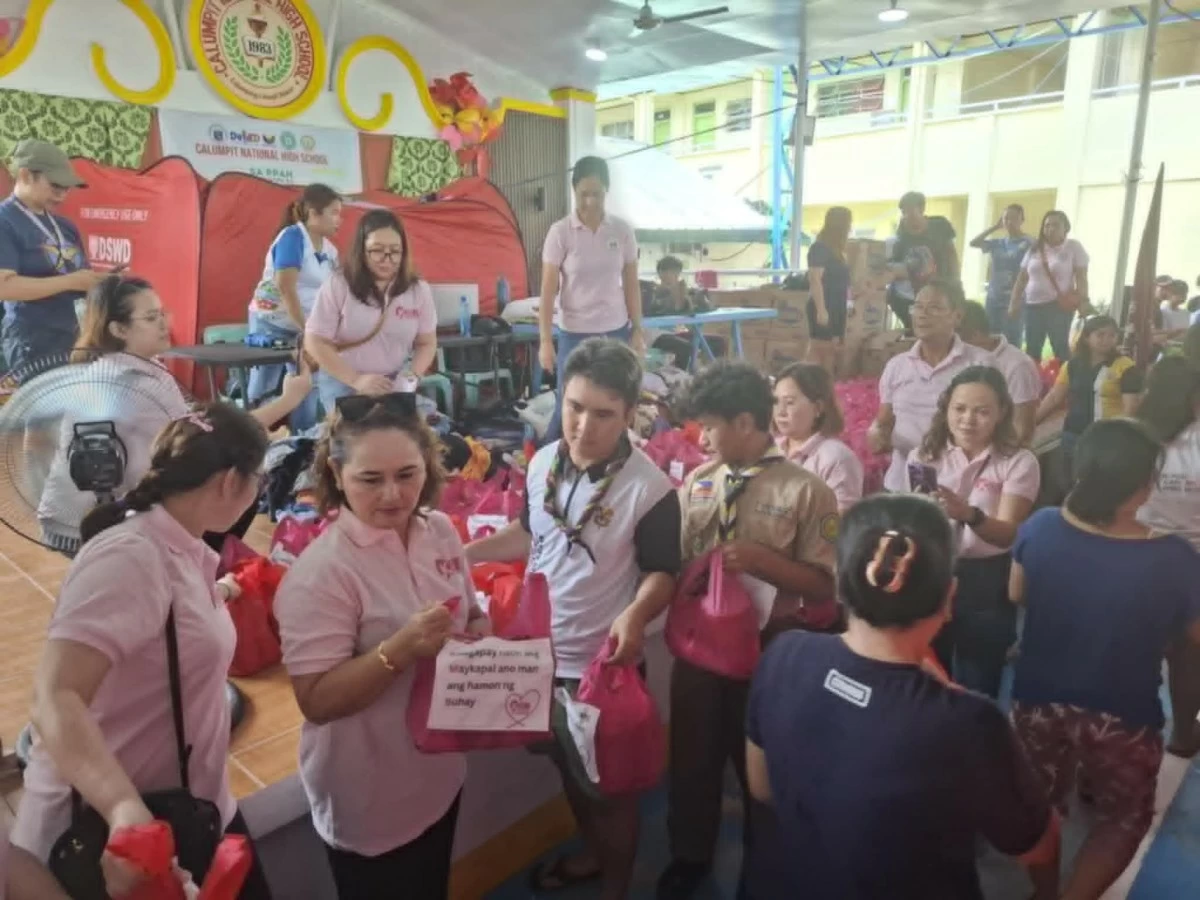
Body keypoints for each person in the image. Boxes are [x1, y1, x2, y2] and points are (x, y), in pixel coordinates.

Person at [12, 403, 274, 899]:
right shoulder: (130, 556)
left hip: (194, 806)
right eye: (258, 479)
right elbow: (54, 697)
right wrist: (123, 809)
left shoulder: (184, 548)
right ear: (228, 483)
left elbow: (160, 630)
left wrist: (220, 596)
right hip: (115, 832)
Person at [742, 493, 1059, 900]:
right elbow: (1037, 846)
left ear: (840, 583)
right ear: (949, 597)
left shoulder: (784, 656)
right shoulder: (967, 722)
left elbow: (761, 786)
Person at [467, 339, 680, 900]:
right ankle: (591, 854)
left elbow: (663, 572)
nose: (583, 425)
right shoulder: (541, 462)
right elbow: (531, 533)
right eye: (574, 406)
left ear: (631, 414)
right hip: (537, 655)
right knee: (567, 769)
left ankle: (616, 886)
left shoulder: (650, 490)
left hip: (600, 666)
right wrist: (462, 556)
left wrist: (635, 615)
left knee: (612, 791)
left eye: (603, 413)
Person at [275, 393, 487, 899]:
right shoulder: (323, 573)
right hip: (369, 791)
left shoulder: (437, 530)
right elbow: (317, 700)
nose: (392, 494)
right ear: (337, 472)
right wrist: (400, 649)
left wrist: (485, 639)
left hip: (438, 771)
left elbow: (472, 612)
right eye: (371, 479)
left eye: (407, 474)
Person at [659, 361, 838, 900]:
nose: (702, 438)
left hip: (771, 652)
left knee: (765, 765)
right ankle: (690, 855)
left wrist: (762, 561)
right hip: (700, 650)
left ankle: (768, 865)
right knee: (691, 757)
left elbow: (824, 587)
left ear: (744, 422)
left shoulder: (807, 492)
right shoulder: (699, 482)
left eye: (710, 426)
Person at [1010, 419, 1200, 899]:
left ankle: (1044, 891)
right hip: (1123, 714)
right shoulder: (1175, 559)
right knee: (1124, 817)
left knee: (1041, 807)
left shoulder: (1041, 526)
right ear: (1142, 487)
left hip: (1038, 699)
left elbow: (1018, 593)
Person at [37, 275, 310, 552]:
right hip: (88, 523)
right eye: (151, 317)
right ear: (119, 329)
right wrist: (290, 399)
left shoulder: (129, 368)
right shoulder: (131, 383)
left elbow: (201, 425)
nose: (164, 324)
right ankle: (199, 569)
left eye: (163, 313)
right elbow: (209, 434)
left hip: (79, 513)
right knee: (240, 479)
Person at [908, 366, 1039, 697]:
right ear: (946, 408)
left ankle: (973, 745)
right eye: (959, 409)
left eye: (982, 412)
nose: (968, 420)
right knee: (928, 674)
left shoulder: (1018, 462)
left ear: (1001, 414)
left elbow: (1009, 534)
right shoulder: (925, 456)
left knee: (978, 679)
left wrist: (968, 514)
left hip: (987, 581)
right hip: (932, 573)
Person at [539, 157, 644, 443]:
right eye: (583, 194)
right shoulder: (560, 232)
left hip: (615, 331)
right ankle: (550, 467)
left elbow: (631, 284)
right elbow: (548, 291)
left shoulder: (621, 231)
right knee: (570, 404)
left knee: (616, 401)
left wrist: (637, 329)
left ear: (606, 191)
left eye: (596, 193)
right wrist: (546, 341)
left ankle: (613, 462)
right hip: (574, 334)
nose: (589, 201)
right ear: (574, 191)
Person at [305, 209, 437, 413]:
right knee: (355, 438)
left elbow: (426, 342)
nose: (387, 259)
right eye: (377, 250)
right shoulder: (339, 285)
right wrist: (356, 380)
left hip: (393, 382)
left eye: (395, 251)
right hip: (344, 381)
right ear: (362, 250)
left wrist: (411, 376)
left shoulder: (417, 289)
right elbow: (315, 341)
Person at [1136, 355, 1200, 757]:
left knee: (1133, 649)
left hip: (1135, 556)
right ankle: (1182, 735)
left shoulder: (1131, 438)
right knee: (1188, 655)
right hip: (1193, 562)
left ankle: (1121, 736)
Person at [868, 278, 985, 492]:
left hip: (957, 486)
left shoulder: (979, 364)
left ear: (956, 316)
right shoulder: (898, 366)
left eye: (934, 308)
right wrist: (876, 432)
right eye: (918, 307)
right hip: (901, 482)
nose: (922, 314)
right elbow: (883, 420)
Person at [0, 139, 105, 374]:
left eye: (67, 188)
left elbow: (80, 278)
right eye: (55, 186)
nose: (62, 195)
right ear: (26, 175)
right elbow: (4, 287)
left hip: (75, 338)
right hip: (33, 342)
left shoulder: (65, 226)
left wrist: (96, 283)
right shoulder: (5, 221)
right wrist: (72, 281)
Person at [246, 184, 342, 432]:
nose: (338, 220)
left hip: (305, 326)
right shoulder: (292, 237)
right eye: (333, 213)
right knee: (264, 386)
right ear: (313, 212)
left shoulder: (331, 251)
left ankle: (304, 437)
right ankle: (250, 434)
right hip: (272, 321)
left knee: (307, 383)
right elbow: (286, 288)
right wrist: (309, 331)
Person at [1036, 315, 1141, 482]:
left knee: (1096, 485)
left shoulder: (1125, 366)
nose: (1107, 340)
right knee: (1068, 483)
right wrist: (1032, 423)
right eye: (1100, 334)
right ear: (1086, 337)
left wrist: (1119, 437)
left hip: (1105, 438)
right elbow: (1055, 397)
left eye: (1112, 335)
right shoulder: (1072, 365)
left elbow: (1131, 408)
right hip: (1072, 433)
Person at [773, 362, 863, 512]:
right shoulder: (770, 449)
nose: (780, 412)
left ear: (817, 408)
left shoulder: (837, 459)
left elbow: (838, 522)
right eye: (776, 402)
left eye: (789, 402)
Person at [1010, 210, 1090, 363]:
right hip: (1033, 306)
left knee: (1060, 348)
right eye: (1047, 226)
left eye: (1055, 225)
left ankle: (1064, 383)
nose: (1050, 229)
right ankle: (1033, 382)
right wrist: (1014, 302)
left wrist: (1084, 300)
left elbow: (1081, 277)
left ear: (1065, 228)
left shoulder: (1073, 247)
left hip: (1058, 307)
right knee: (1032, 349)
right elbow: (1021, 278)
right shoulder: (1035, 248)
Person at [958, 300, 1042, 445]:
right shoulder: (960, 359)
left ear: (976, 335)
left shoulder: (1018, 366)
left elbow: (1022, 429)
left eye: (956, 341)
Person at [886, 192, 959, 334]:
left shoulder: (939, 225)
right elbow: (897, 265)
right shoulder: (902, 234)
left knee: (941, 329)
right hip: (914, 295)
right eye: (904, 212)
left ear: (922, 209)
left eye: (911, 211)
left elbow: (952, 255)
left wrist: (956, 281)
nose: (907, 216)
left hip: (942, 287)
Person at [647, 256, 727, 370]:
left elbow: (695, 311)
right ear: (660, 273)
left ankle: (713, 376)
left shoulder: (681, 292)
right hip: (656, 335)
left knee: (718, 342)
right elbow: (659, 309)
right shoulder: (653, 293)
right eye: (668, 271)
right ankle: (681, 378)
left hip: (674, 333)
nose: (673, 276)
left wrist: (697, 299)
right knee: (685, 347)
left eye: (676, 272)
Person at [969, 203, 1032, 346]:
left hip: (1015, 299)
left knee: (1012, 339)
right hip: (993, 298)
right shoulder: (997, 243)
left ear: (1022, 220)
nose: (1010, 221)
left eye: (1014, 218)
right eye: (1006, 218)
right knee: (990, 337)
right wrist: (994, 227)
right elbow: (973, 243)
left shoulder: (1029, 242)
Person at [806, 207, 853, 375]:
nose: (850, 227)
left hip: (837, 304)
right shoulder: (820, 248)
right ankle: (806, 383)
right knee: (820, 347)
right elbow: (815, 279)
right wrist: (821, 309)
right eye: (848, 223)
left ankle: (825, 388)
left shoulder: (839, 252)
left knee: (831, 349)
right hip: (823, 303)